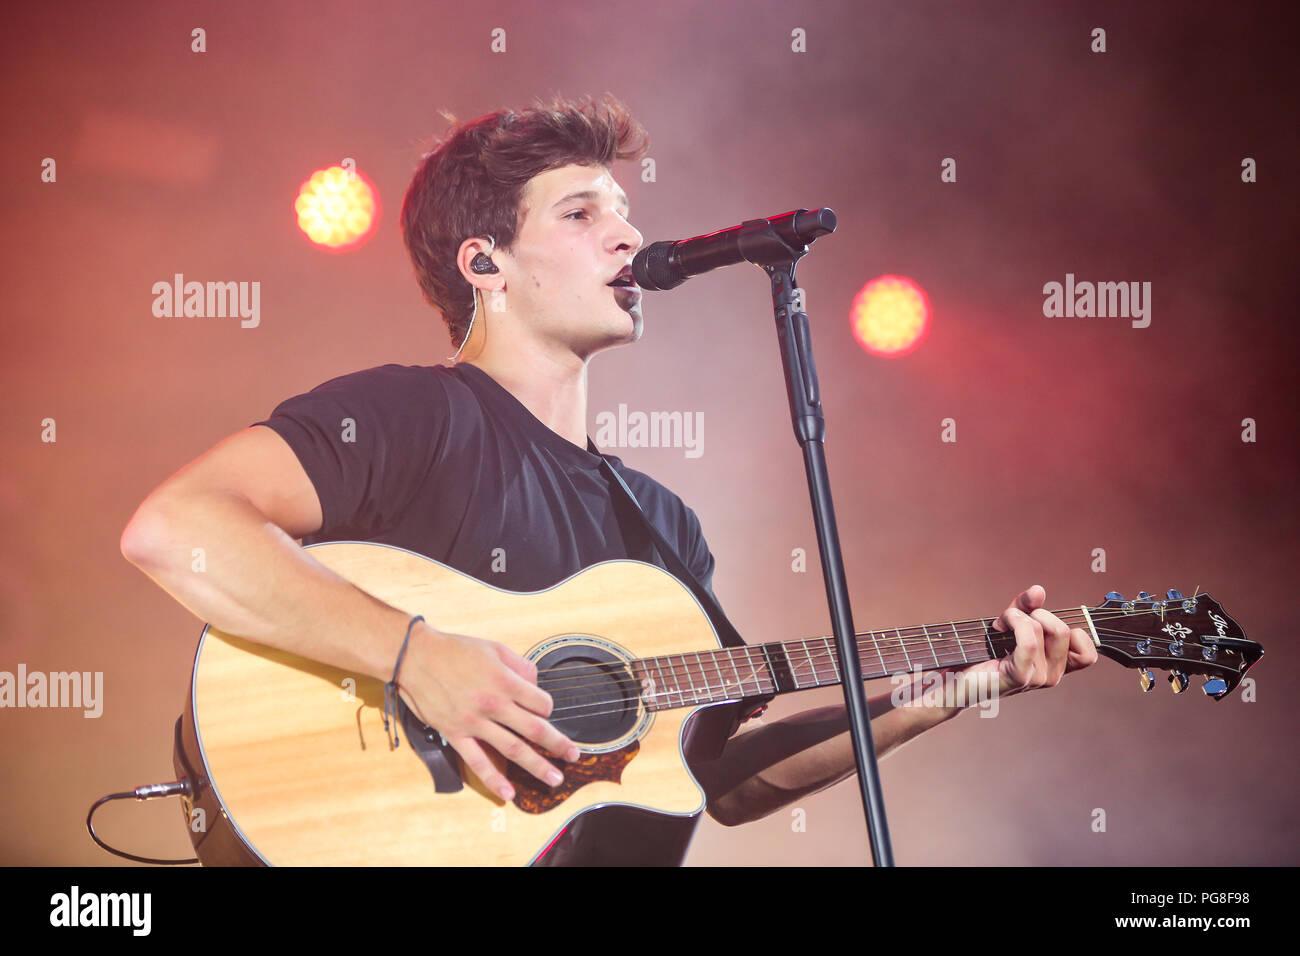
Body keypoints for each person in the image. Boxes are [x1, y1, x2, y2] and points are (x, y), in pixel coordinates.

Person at [120, 92, 1098, 865]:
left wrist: (968, 682)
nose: (629, 238)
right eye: (583, 213)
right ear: (485, 263)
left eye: (626, 214)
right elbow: (175, 527)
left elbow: (720, 779)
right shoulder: (409, 415)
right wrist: (418, 654)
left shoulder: (662, 531)